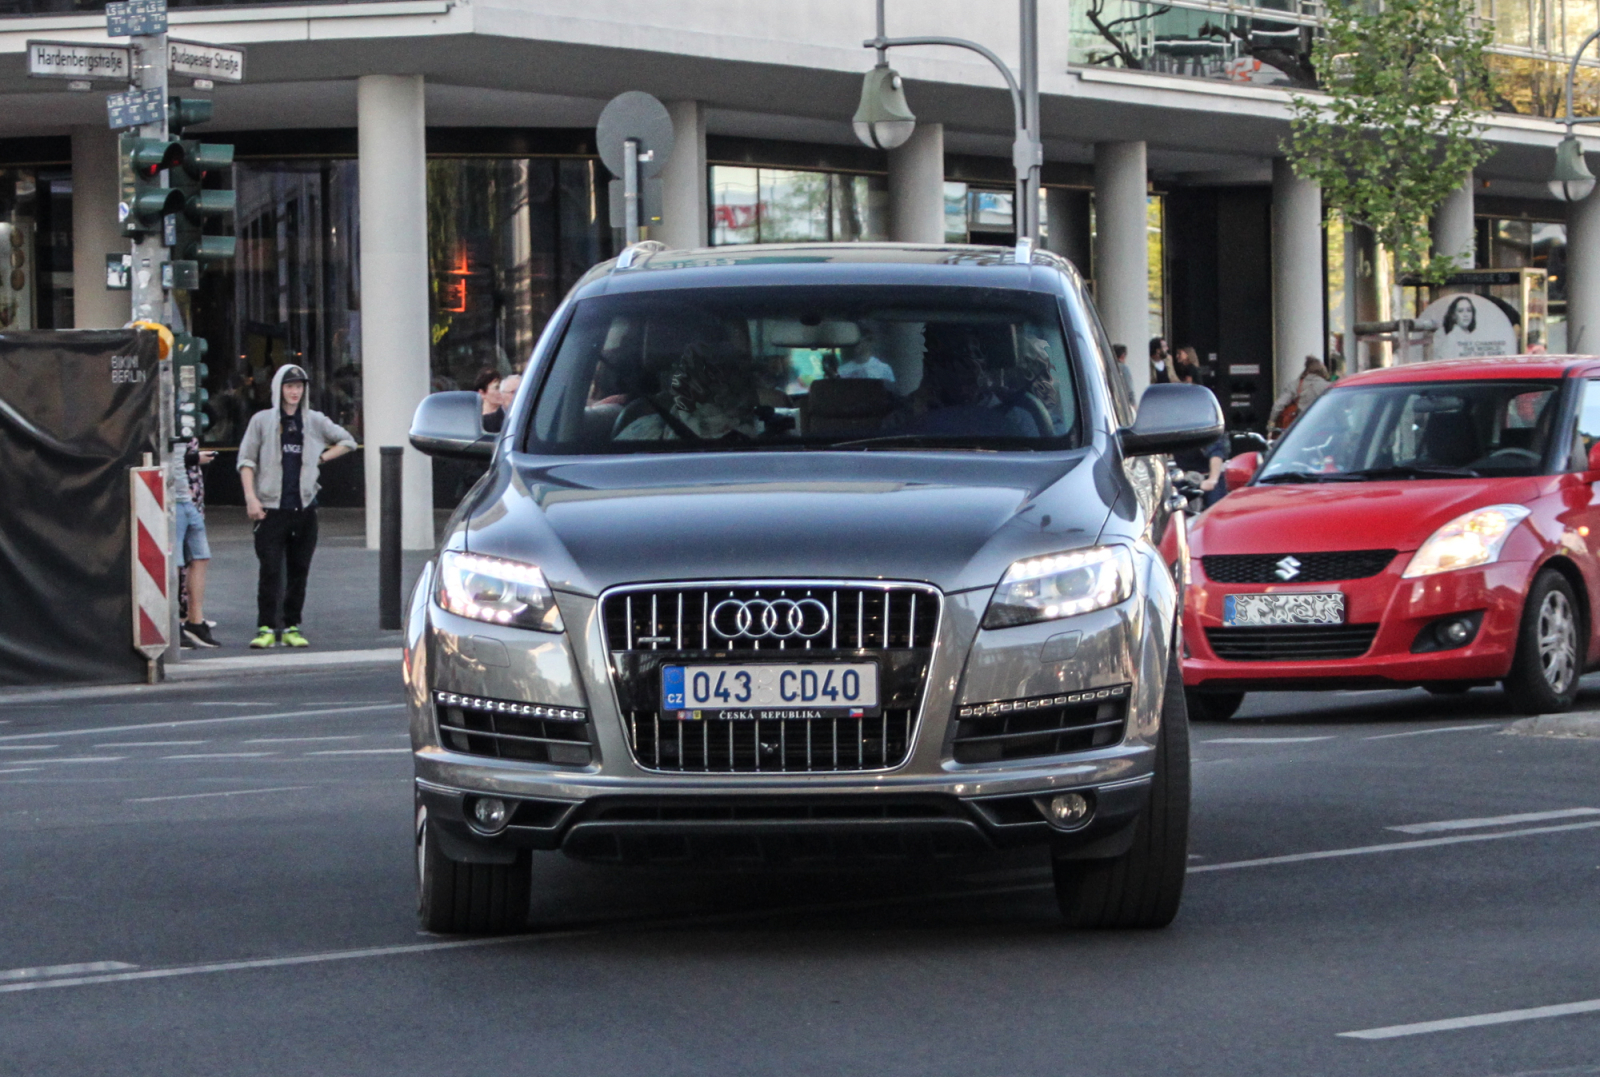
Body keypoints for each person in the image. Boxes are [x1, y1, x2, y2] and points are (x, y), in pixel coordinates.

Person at [237, 364, 358, 649]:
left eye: (299, 387)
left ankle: (292, 625)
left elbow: (348, 441)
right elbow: (246, 461)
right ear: (278, 388)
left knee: (299, 569)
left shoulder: (314, 421)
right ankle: (266, 626)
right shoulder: (262, 421)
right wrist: (251, 498)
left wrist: (322, 458)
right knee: (269, 569)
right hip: (270, 508)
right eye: (289, 386)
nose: (294, 392)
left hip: (304, 509)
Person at [174, 436, 219, 648]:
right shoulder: (163, 419)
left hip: (188, 499)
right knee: (175, 562)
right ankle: (174, 622)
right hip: (174, 498)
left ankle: (195, 621)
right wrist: (193, 458)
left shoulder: (184, 424)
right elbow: (165, 456)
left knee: (201, 557)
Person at [1173, 363, 1227, 507]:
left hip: (1206, 477)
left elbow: (1216, 450)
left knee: (1215, 511)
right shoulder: (1175, 415)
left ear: (1189, 380)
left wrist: (1213, 479)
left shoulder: (1205, 414)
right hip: (1184, 479)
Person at [1268, 355, 1333, 433]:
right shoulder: (1328, 387)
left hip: (1300, 429)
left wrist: (1271, 423)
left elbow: (1278, 405)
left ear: (1307, 370)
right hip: (1322, 429)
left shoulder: (1295, 385)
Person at [475, 367, 505, 433]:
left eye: (502, 387)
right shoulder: (474, 420)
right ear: (482, 393)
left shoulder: (507, 415)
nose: (501, 391)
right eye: (497, 387)